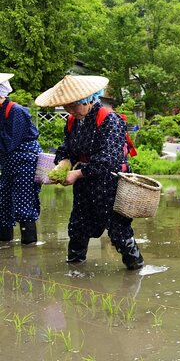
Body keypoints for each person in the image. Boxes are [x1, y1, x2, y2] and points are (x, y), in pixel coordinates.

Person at [35, 75, 144, 270]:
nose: (69, 110)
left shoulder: (110, 119)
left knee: (119, 230)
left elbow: (109, 160)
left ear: (87, 99)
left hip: (109, 184)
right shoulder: (72, 121)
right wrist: (64, 163)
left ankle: (135, 269)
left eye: (73, 105)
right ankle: (75, 270)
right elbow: (66, 148)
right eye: (66, 106)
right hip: (85, 186)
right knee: (78, 227)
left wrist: (76, 174)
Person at [0, 72, 42, 245]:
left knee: (24, 202)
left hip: (25, 161)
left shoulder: (16, 111)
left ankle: (29, 246)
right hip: (8, 162)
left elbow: (10, 141)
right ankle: (4, 241)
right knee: (3, 201)